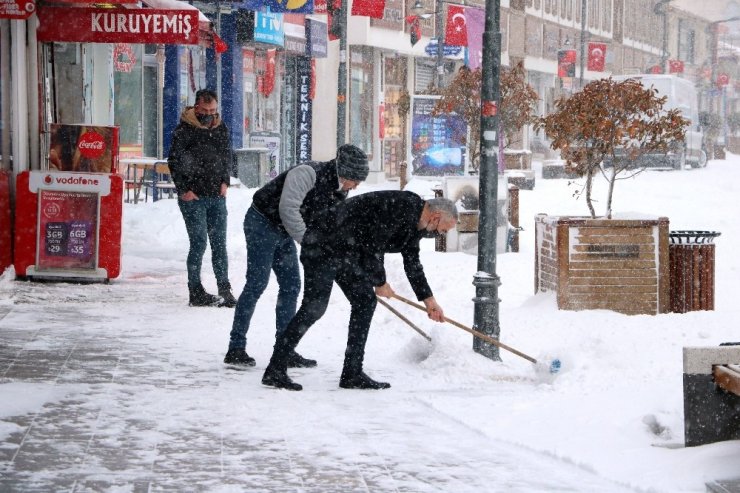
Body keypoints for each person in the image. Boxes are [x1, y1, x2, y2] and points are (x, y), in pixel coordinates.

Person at [261, 191, 458, 391]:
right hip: (322, 243)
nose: (439, 234)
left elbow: (412, 262)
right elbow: (374, 244)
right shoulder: (403, 206)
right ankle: (275, 369)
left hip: (347, 251)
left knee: (365, 301)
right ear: (436, 217)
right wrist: (380, 282)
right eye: (442, 230)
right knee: (314, 307)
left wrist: (429, 301)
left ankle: (352, 373)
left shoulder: (417, 224)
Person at [223, 145, 370, 368]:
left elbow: (329, 222)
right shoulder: (307, 174)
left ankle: (284, 349)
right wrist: (310, 244)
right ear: (344, 172)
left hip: (283, 231)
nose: (356, 186)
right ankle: (236, 347)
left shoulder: (340, 188)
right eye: (355, 180)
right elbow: (289, 210)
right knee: (257, 283)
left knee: (291, 285)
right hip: (262, 222)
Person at [168, 89, 237, 307]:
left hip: (217, 195)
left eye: (214, 110)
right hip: (193, 197)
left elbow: (228, 156)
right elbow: (175, 161)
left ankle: (225, 289)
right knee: (198, 243)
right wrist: (184, 190)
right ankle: (195, 291)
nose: (210, 114)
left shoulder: (220, 127)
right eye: (206, 110)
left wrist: (225, 180)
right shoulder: (184, 130)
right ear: (196, 107)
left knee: (219, 244)